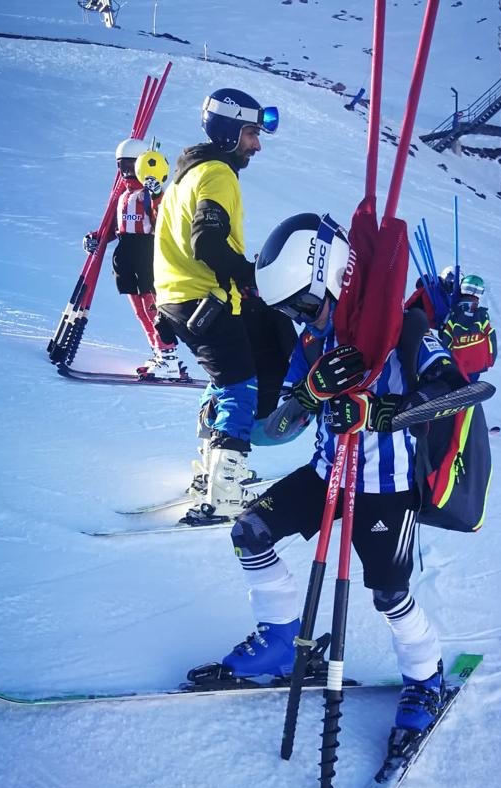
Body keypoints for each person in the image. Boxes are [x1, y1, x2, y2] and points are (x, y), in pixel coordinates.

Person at [215, 213, 470, 758]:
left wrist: (383, 413)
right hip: (325, 473)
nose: (303, 319)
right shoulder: (311, 343)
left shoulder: (403, 331)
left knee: (388, 593)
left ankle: (425, 676)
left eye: (305, 306)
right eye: (290, 312)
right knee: (249, 531)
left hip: (387, 486)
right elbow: (279, 427)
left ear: (334, 278)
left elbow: (457, 394)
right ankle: (283, 638)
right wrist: (308, 392)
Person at [153, 88, 279, 524]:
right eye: (249, 133)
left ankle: (210, 473)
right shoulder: (218, 174)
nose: (256, 144)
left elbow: (170, 241)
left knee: (222, 382)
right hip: (203, 297)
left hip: (176, 297)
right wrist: (247, 273)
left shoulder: (184, 176)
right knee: (240, 387)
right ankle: (225, 493)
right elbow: (206, 241)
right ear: (227, 132)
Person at [83, 138, 184, 380]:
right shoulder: (122, 197)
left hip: (147, 252)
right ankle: (159, 353)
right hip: (127, 254)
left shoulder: (149, 194)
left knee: (153, 306)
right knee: (139, 310)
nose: (126, 172)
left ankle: (168, 357)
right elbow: (114, 228)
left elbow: (163, 222)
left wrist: (156, 193)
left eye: (131, 165)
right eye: (121, 166)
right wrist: (97, 238)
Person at [437, 273, 497, 380]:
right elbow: (491, 338)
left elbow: (444, 337)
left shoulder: (454, 313)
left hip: (457, 365)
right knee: (471, 383)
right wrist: (490, 360)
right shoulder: (482, 315)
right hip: (477, 365)